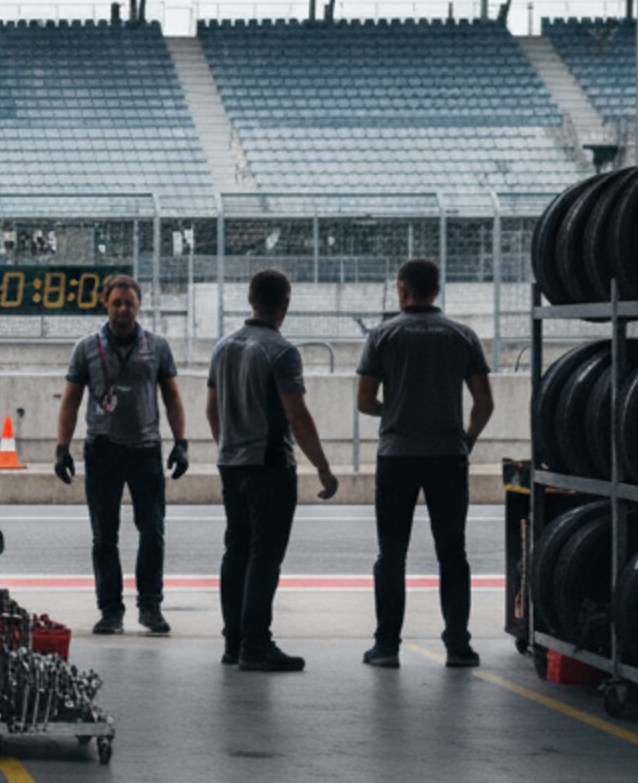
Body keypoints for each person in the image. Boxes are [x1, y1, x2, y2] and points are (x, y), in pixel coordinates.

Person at [355, 257, 494, 670]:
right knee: (453, 552)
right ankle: (458, 646)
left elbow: (364, 402)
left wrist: (397, 410)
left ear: (402, 289)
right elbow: (484, 404)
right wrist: (464, 440)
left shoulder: (383, 336)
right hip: (447, 455)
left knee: (391, 553)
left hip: (397, 456)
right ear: (437, 289)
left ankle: (386, 647)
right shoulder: (462, 336)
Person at [205, 268, 340, 671]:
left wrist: (228, 447)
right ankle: (257, 644)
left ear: (250, 300)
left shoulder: (223, 348)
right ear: (285, 303)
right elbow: (296, 416)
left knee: (236, 552)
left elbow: (212, 410)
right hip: (268, 466)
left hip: (232, 464)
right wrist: (323, 468)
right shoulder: (282, 351)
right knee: (265, 557)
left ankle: (233, 642)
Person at [54, 272, 191, 634]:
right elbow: (70, 400)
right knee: (104, 537)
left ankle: (151, 608)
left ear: (139, 306)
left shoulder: (157, 347)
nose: (123, 310)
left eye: (129, 303)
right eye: (116, 303)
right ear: (105, 304)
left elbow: (172, 396)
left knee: (153, 532)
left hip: (146, 450)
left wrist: (181, 442)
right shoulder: (86, 347)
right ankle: (110, 611)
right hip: (102, 451)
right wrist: (62, 448)